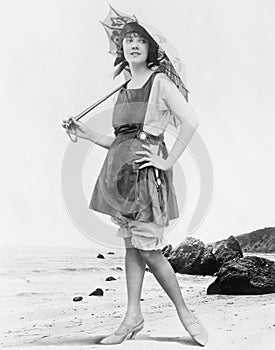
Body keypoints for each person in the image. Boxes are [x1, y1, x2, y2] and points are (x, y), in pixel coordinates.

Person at [64, 22, 209, 346]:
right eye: (127, 40)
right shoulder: (124, 87)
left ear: (150, 49)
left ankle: (185, 313)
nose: (132, 44)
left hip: (146, 178)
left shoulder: (159, 82)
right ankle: (132, 317)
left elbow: (192, 121)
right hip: (121, 178)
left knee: (152, 252)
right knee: (132, 247)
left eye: (139, 40)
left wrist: (167, 161)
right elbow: (120, 142)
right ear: (121, 49)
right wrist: (85, 131)